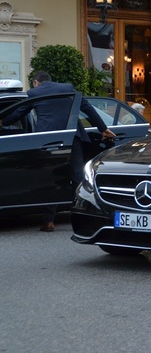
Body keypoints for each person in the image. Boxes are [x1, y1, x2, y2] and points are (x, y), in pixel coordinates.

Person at [0, 70, 115, 232]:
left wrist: (3, 121)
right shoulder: (68, 88)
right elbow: (88, 109)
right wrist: (103, 129)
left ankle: (48, 221)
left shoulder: (35, 93)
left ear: (35, 82)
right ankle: (87, 217)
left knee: (50, 178)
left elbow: (19, 112)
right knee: (78, 178)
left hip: (48, 140)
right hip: (71, 138)